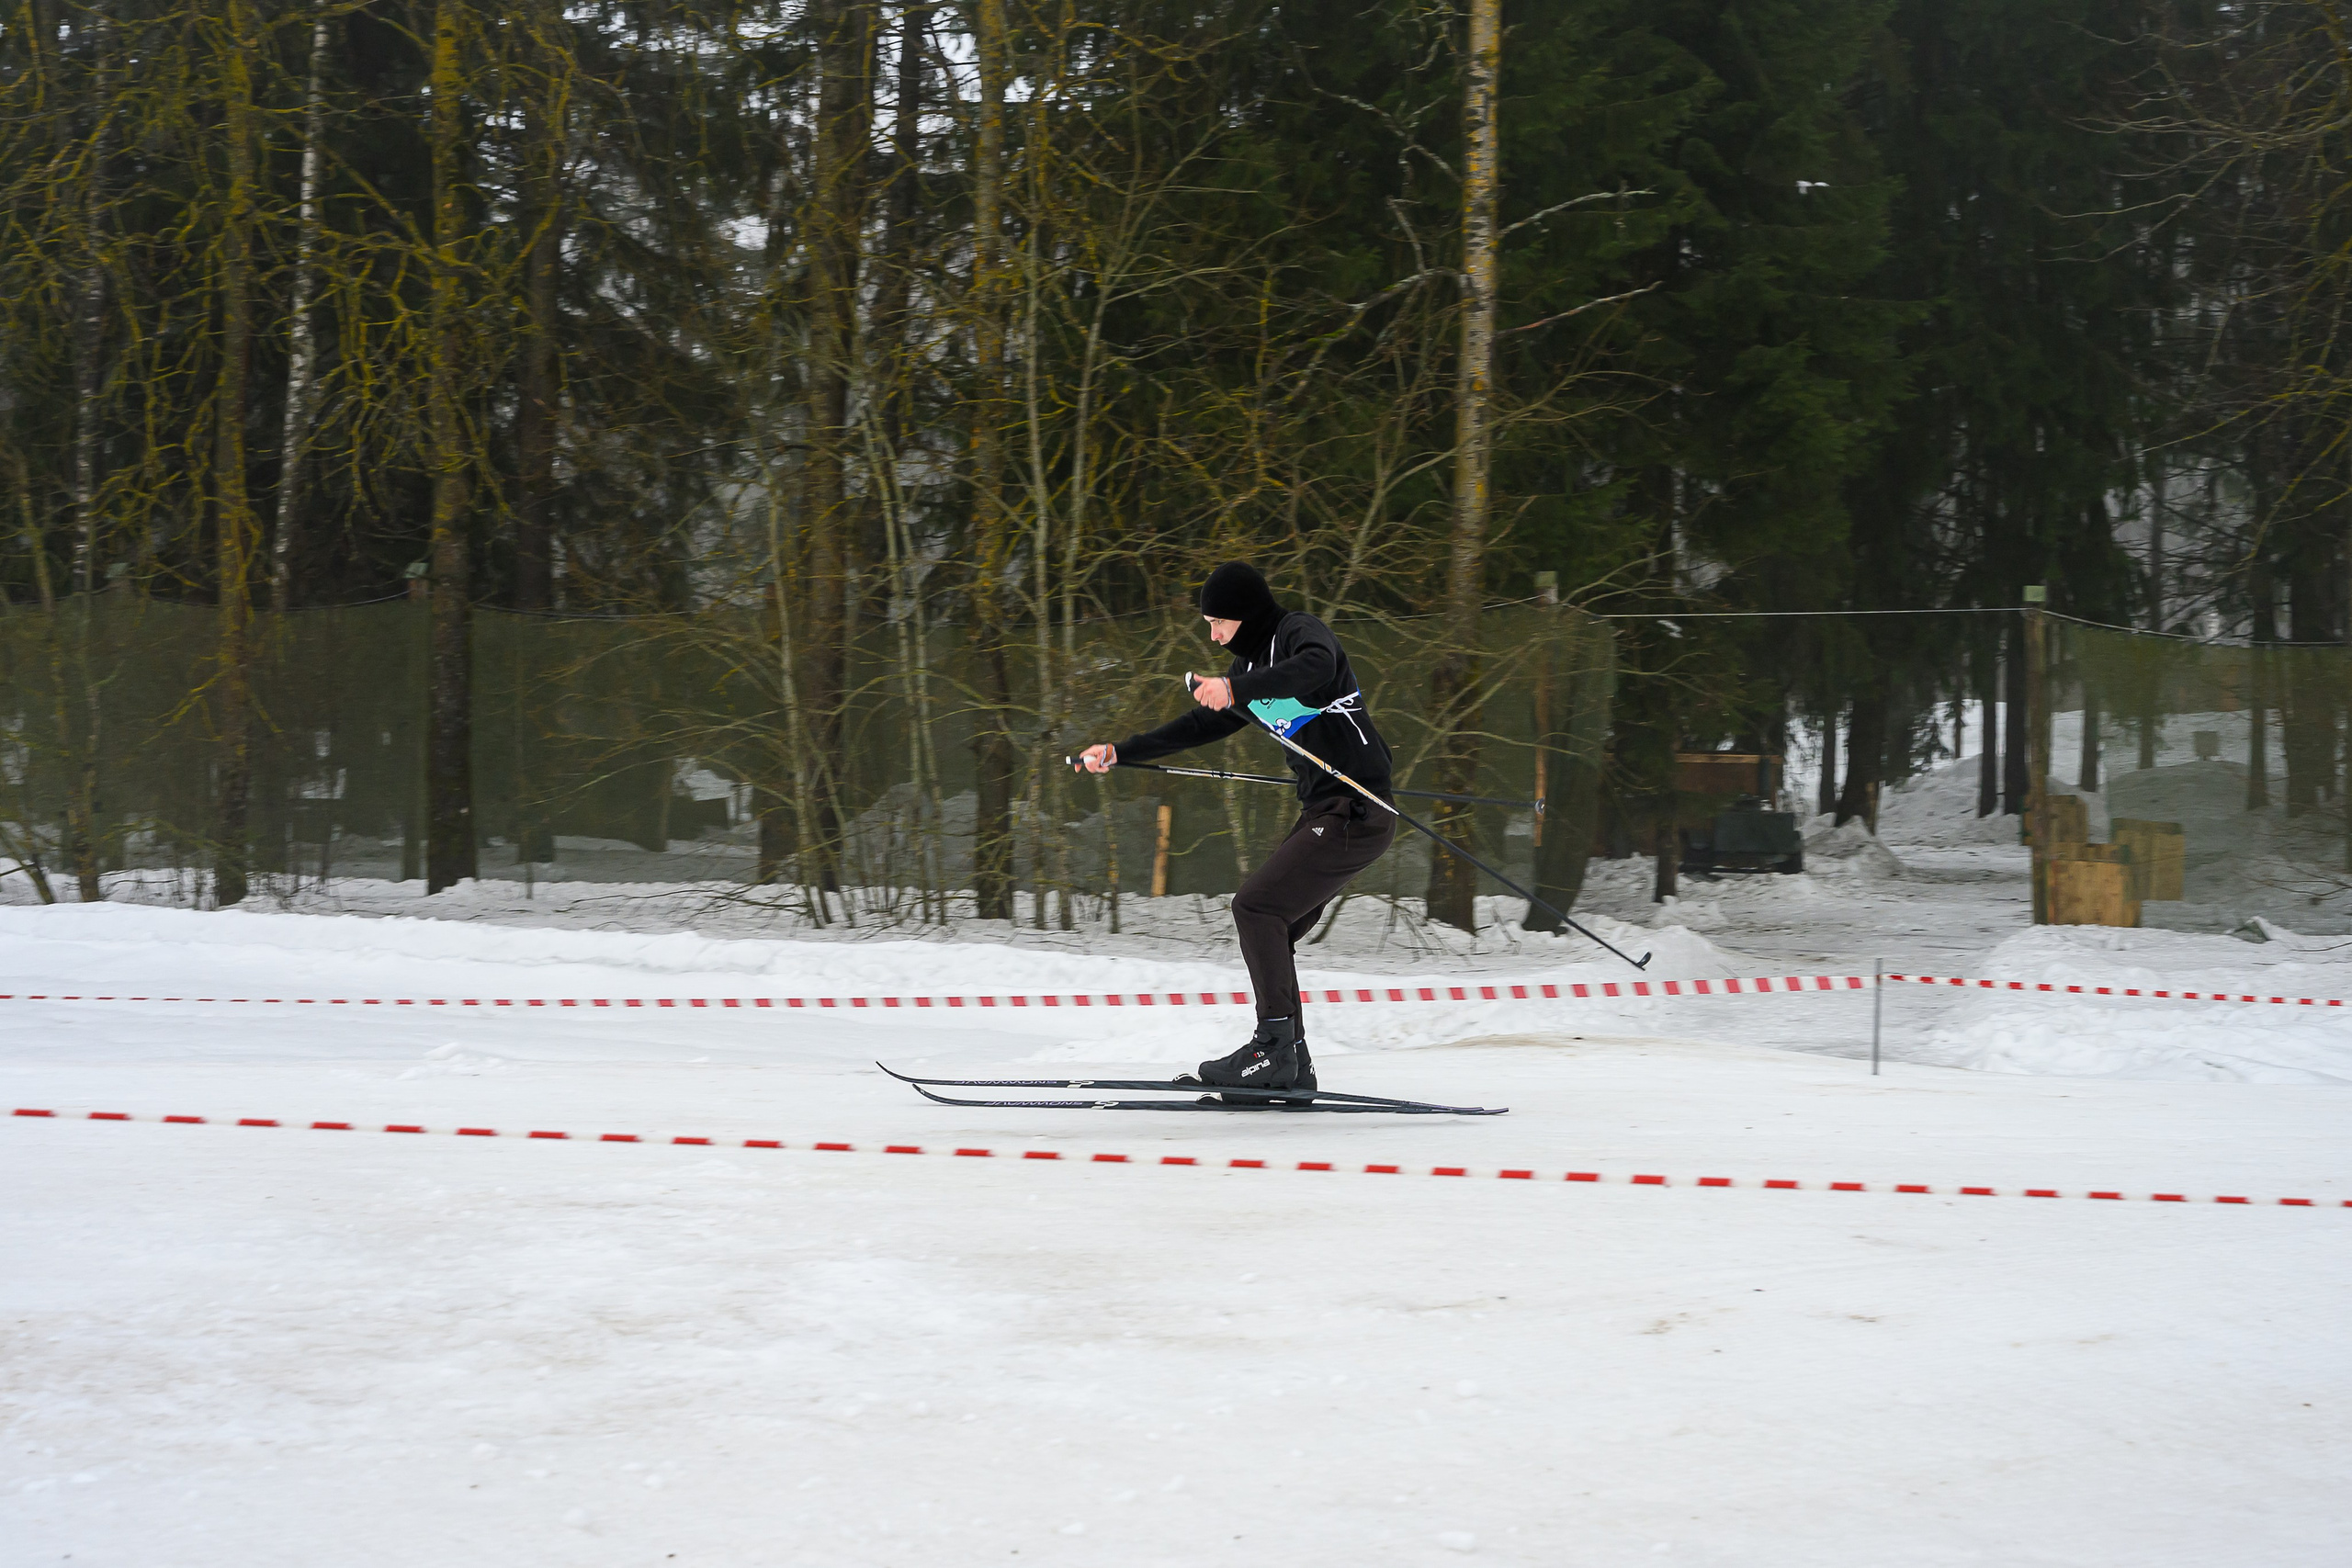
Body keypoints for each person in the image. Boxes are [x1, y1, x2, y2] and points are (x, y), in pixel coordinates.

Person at [1074, 562, 1395, 1097]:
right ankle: (1291, 1060)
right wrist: (1120, 752)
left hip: (1358, 809)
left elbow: (1316, 666)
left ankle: (1272, 1050)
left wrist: (1235, 687)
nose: (1214, 635)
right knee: (1274, 923)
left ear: (1245, 614)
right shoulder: (1246, 666)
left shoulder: (1297, 632)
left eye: (1218, 622)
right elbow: (1199, 725)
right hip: (1325, 811)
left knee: (1256, 908)